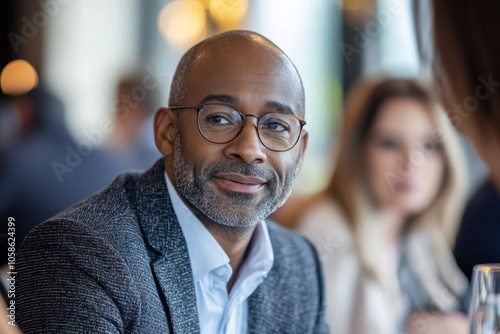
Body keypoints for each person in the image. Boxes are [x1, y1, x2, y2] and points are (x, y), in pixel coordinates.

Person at [16, 30, 328, 334]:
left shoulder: (300, 263)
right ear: (168, 132)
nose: (249, 149)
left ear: (299, 153)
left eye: (275, 125)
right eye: (219, 118)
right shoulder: (82, 252)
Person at [293, 78, 469, 334]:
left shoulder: (413, 232)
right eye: (390, 143)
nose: (411, 162)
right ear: (357, 151)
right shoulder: (328, 232)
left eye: (429, 145)